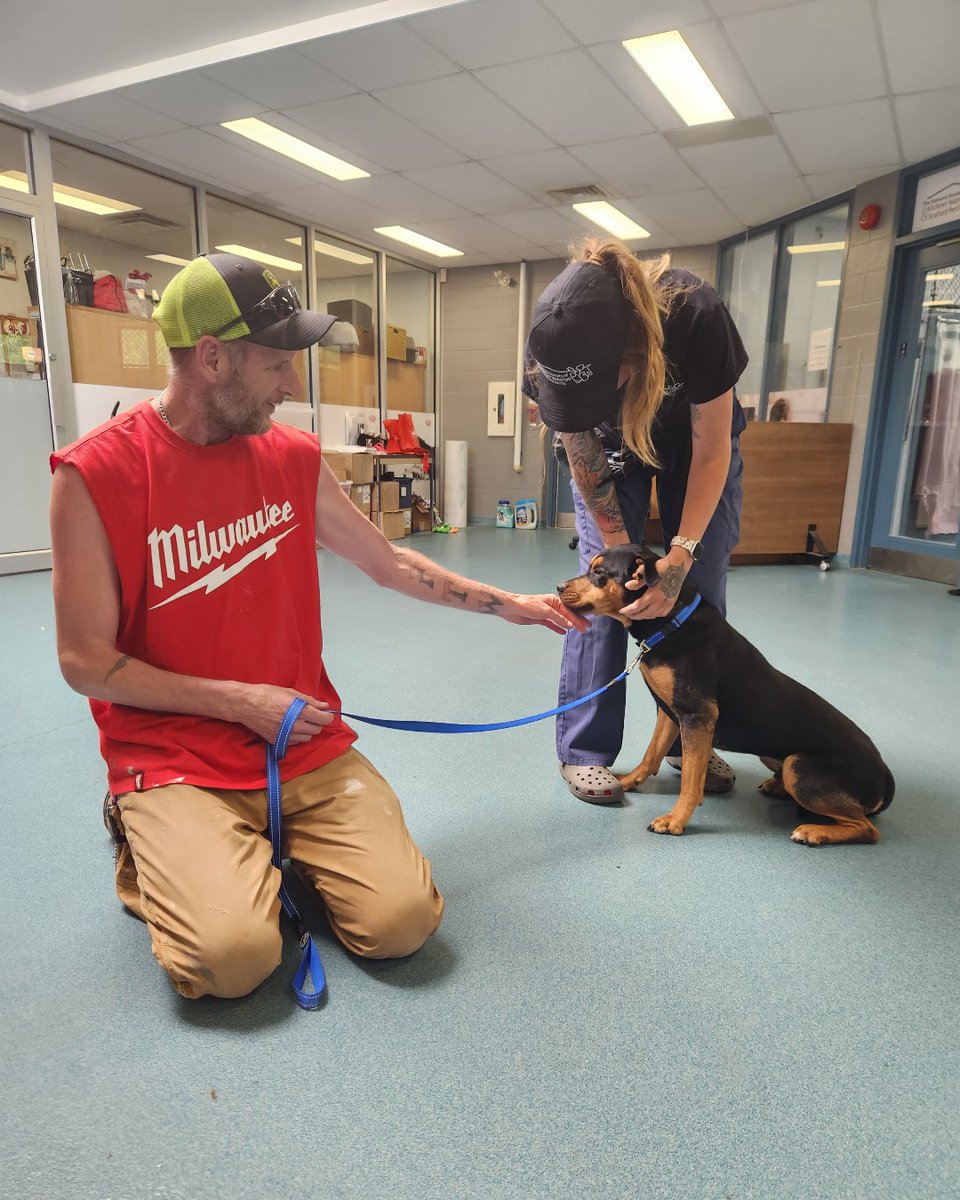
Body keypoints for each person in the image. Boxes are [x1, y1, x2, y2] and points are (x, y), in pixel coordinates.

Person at [49, 252, 588, 1001]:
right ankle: (148, 838)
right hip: (174, 753)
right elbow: (84, 662)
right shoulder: (93, 475)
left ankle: (253, 853)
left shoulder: (293, 459)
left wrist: (514, 606)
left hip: (298, 738)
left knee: (401, 923)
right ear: (212, 358)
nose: (293, 387)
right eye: (276, 365)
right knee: (234, 961)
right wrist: (242, 702)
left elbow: (391, 562)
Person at [524, 237, 748, 805]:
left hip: (692, 451)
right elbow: (584, 461)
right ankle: (585, 750)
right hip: (610, 460)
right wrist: (620, 560)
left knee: (695, 591)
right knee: (598, 595)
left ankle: (686, 737)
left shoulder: (696, 316)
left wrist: (677, 557)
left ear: (634, 354)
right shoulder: (551, 345)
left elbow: (711, 452)